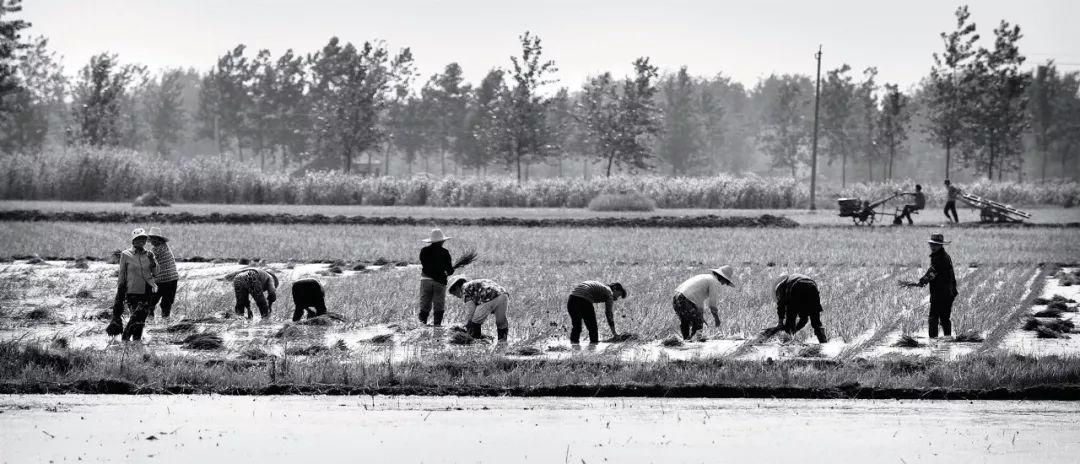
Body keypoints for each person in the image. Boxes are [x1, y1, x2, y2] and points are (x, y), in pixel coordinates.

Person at [901, 233, 958, 338]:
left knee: (934, 318)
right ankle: (947, 339)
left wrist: (922, 282)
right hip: (947, 292)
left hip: (942, 292)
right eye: (932, 244)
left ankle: (933, 341)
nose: (933, 247)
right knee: (944, 318)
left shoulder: (941, 258)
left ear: (941, 245)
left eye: (935, 245)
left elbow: (932, 272)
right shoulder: (942, 256)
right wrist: (922, 281)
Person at [111, 228, 158, 342]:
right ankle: (125, 338)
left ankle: (136, 341)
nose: (141, 241)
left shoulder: (149, 254)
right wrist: (120, 291)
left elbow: (156, 272)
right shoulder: (126, 254)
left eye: (143, 239)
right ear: (133, 241)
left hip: (148, 290)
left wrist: (153, 261)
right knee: (136, 316)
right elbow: (122, 274)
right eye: (138, 239)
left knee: (141, 319)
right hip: (132, 290)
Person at [672, 266, 736, 340]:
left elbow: (698, 300)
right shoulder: (714, 282)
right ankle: (695, 343)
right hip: (685, 299)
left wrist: (700, 316)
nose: (724, 284)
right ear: (722, 278)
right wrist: (717, 319)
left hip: (676, 297)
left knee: (685, 322)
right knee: (698, 324)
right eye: (726, 282)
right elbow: (712, 304)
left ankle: (686, 342)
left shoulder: (706, 277)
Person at [448, 276, 509, 341]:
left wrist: (468, 324)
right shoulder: (473, 283)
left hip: (489, 296)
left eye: (454, 294)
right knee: (501, 322)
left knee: (475, 321)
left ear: (457, 288)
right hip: (503, 295)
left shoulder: (465, 289)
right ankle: (502, 342)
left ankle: (476, 342)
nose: (457, 297)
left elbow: (471, 310)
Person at [774, 274, 828, 343]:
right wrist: (794, 331)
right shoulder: (790, 280)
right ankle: (824, 343)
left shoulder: (781, 287)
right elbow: (804, 320)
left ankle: (786, 344)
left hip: (797, 286)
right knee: (816, 322)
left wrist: (780, 323)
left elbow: (781, 305)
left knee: (790, 320)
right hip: (812, 287)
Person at [418, 228, 454, 326]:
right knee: (439, 305)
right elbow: (450, 271)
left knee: (424, 304)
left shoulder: (424, 251)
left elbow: (425, 264)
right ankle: (437, 327)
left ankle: (422, 326)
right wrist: (449, 271)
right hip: (439, 282)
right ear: (442, 241)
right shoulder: (445, 252)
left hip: (425, 281)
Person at [146, 227, 179, 321]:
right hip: (172, 279)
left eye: (154, 238)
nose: (152, 240)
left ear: (159, 239)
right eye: (151, 238)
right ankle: (165, 322)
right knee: (166, 304)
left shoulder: (157, 250)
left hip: (163, 280)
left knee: (151, 303)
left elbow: (147, 262)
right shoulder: (165, 246)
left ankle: (151, 322)